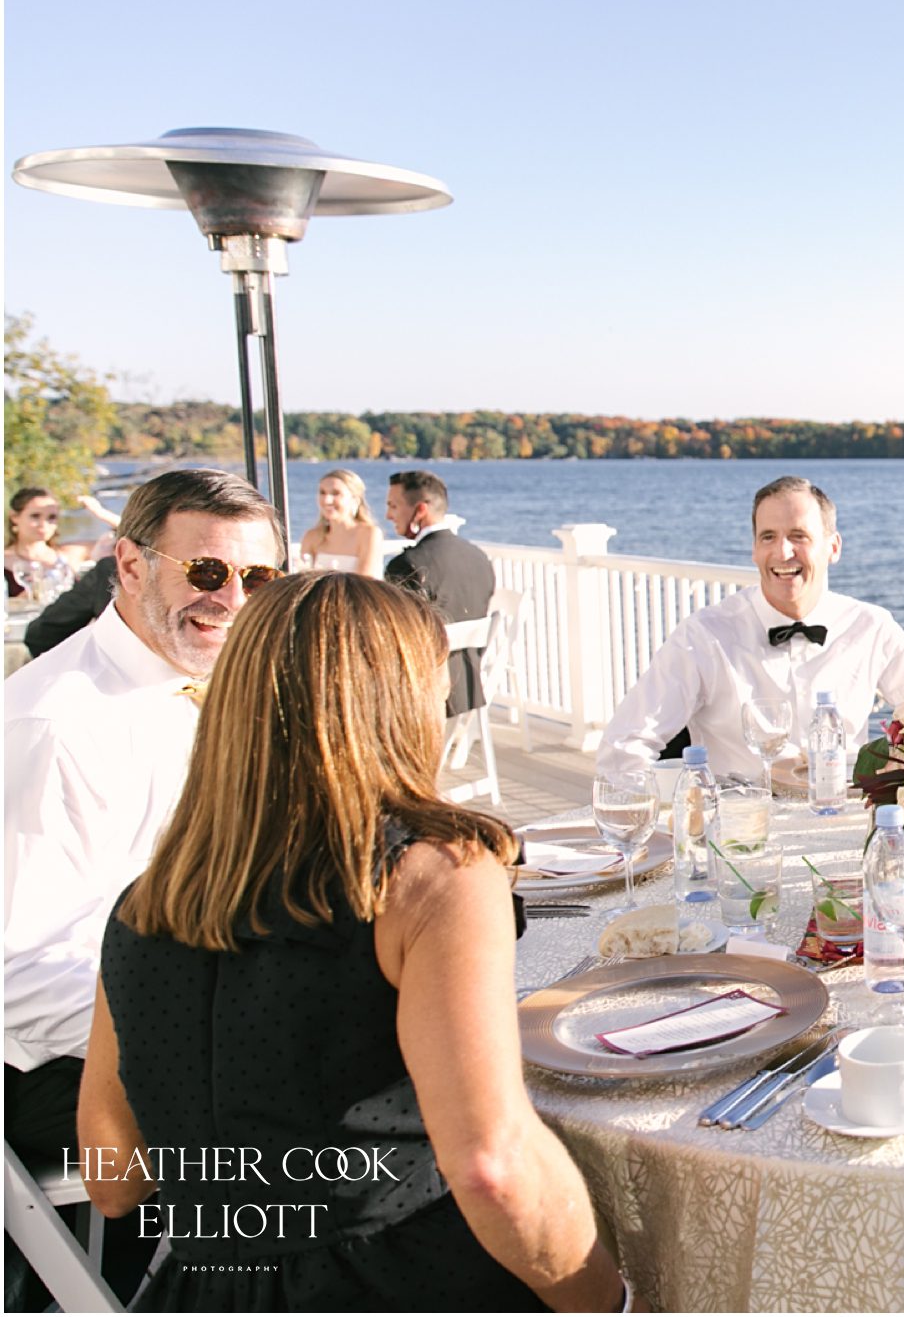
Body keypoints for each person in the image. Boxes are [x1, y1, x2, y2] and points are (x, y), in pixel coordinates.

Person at [79, 571, 624, 1311]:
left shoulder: (144, 907)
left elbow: (113, 1179)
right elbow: (495, 1166)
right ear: (397, 702)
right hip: (402, 1282)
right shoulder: (430, 878)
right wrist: (614, 1303)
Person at [3, 469, 282, 1306]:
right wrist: (210, 1015)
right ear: (128, 566)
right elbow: (16, 973)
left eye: (257, 578)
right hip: (44, 1067)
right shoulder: (59, 723)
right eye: (205, 572)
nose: (231, 599)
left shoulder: (211, 680)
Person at [599, 475, 904, 779]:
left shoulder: (870, 627)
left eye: (799, 536)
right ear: (754, 549)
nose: (782, 552)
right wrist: (660, 823)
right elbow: (624, 747)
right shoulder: (704, 637)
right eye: (768, 537)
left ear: (833, 547)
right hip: (736, 828)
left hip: (843, 817)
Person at [384, 469, 495, 718]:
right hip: (469, 687)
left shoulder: (407, 565)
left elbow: (399, 641)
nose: (388, 515)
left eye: (393, 505)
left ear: (420, 510)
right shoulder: (478, 556)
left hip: (425, 696)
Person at [5, 486, 88, 600]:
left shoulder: (69, 554)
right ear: (14, 517)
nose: (43, 524)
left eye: (52, 517)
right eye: (35, 516)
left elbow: (120, 542)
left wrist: (100, 513)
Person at [299, 466, 384, 576]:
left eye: (335, 493)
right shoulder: (312, 537)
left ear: (355, 499)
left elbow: (367, 582)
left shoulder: (369, 534)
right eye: (322, 493)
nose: (327, 500)